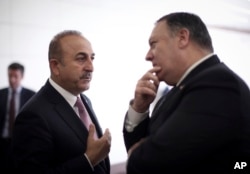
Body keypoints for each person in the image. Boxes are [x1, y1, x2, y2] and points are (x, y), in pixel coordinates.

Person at [123, 12, 250, 174]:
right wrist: (139, 108)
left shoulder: (218, 83)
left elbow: (154, 161)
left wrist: (139, 154)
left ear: (182, 37)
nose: (148, 56)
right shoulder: (175, 92)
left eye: (153, 44)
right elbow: (143, 149)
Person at [11, 30, 111, 174]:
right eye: (81, 59)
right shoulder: (33, 116)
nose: (91, 67)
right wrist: (88, 160)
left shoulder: (84, 100)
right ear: (55, 66)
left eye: (92, 58)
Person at [0, 62, 36, 171]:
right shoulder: (1, 94)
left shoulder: (32, 96)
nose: (12, 79)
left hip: (23, 143)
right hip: (2, 143)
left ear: (22, 76)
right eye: (10, 76)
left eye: (15, 76)